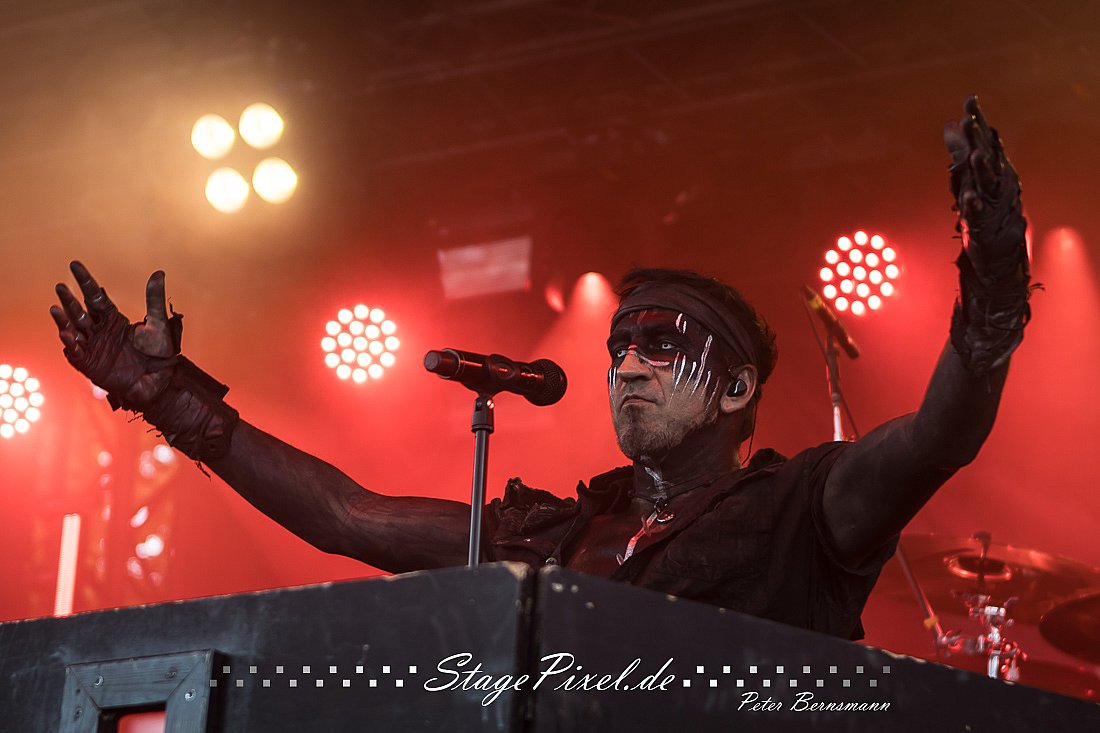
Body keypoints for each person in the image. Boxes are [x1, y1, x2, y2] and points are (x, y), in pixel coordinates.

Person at [49, 97, 1032, 640]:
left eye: (661, 346)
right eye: (617, 348)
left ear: (737, 390)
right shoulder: (559, 533)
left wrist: (990, 272)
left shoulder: (803, 509)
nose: (627, 365)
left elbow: (937, 434)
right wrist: (170, 399)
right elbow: (348, 515)